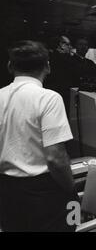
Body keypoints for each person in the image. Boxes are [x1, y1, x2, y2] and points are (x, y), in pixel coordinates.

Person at [0, 40, 76, 231]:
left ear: (10, 66)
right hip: (43, 192)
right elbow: (55, 157)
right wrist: (70, 188)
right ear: (47, 67)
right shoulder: (49, 98)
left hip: (6, 190)